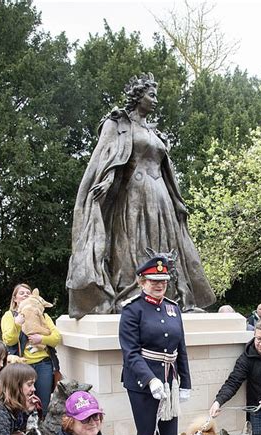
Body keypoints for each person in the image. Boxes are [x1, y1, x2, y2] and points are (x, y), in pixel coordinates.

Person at [67, 72, 214, 318]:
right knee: (131, 242)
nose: (155, 100)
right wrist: (106, 180)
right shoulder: (119, 124)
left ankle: (172, 296)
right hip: (133, 192)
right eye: (151, 94)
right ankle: (131, 293)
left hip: (161, 195)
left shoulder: (155, 132)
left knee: (166, 244)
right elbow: (104, 157)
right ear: (138, 96)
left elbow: (166, 170)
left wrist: (177, 200)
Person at [118, 256, 191, 435]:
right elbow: (130, 352)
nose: (160, 285)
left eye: (163, 281)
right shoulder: (132, 309)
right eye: (154, 281)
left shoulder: (173, 308)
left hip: (169, 382)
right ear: (142, 282)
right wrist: (150, 379)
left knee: (169, 434)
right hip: (142, 383)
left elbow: (181, 349)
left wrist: (185, 383)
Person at [1, 283, 61, 413]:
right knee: (21, 404)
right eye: (21, 293)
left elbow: (56, 338)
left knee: (43, 404)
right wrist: (17, 324)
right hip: (22, 366)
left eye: (28, 293)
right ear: (15, 299)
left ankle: (42, 430)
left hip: (44, 364)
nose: (26, 295)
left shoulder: (43, 315)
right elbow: (8, 340)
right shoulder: (9, 316)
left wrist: (42, 339)